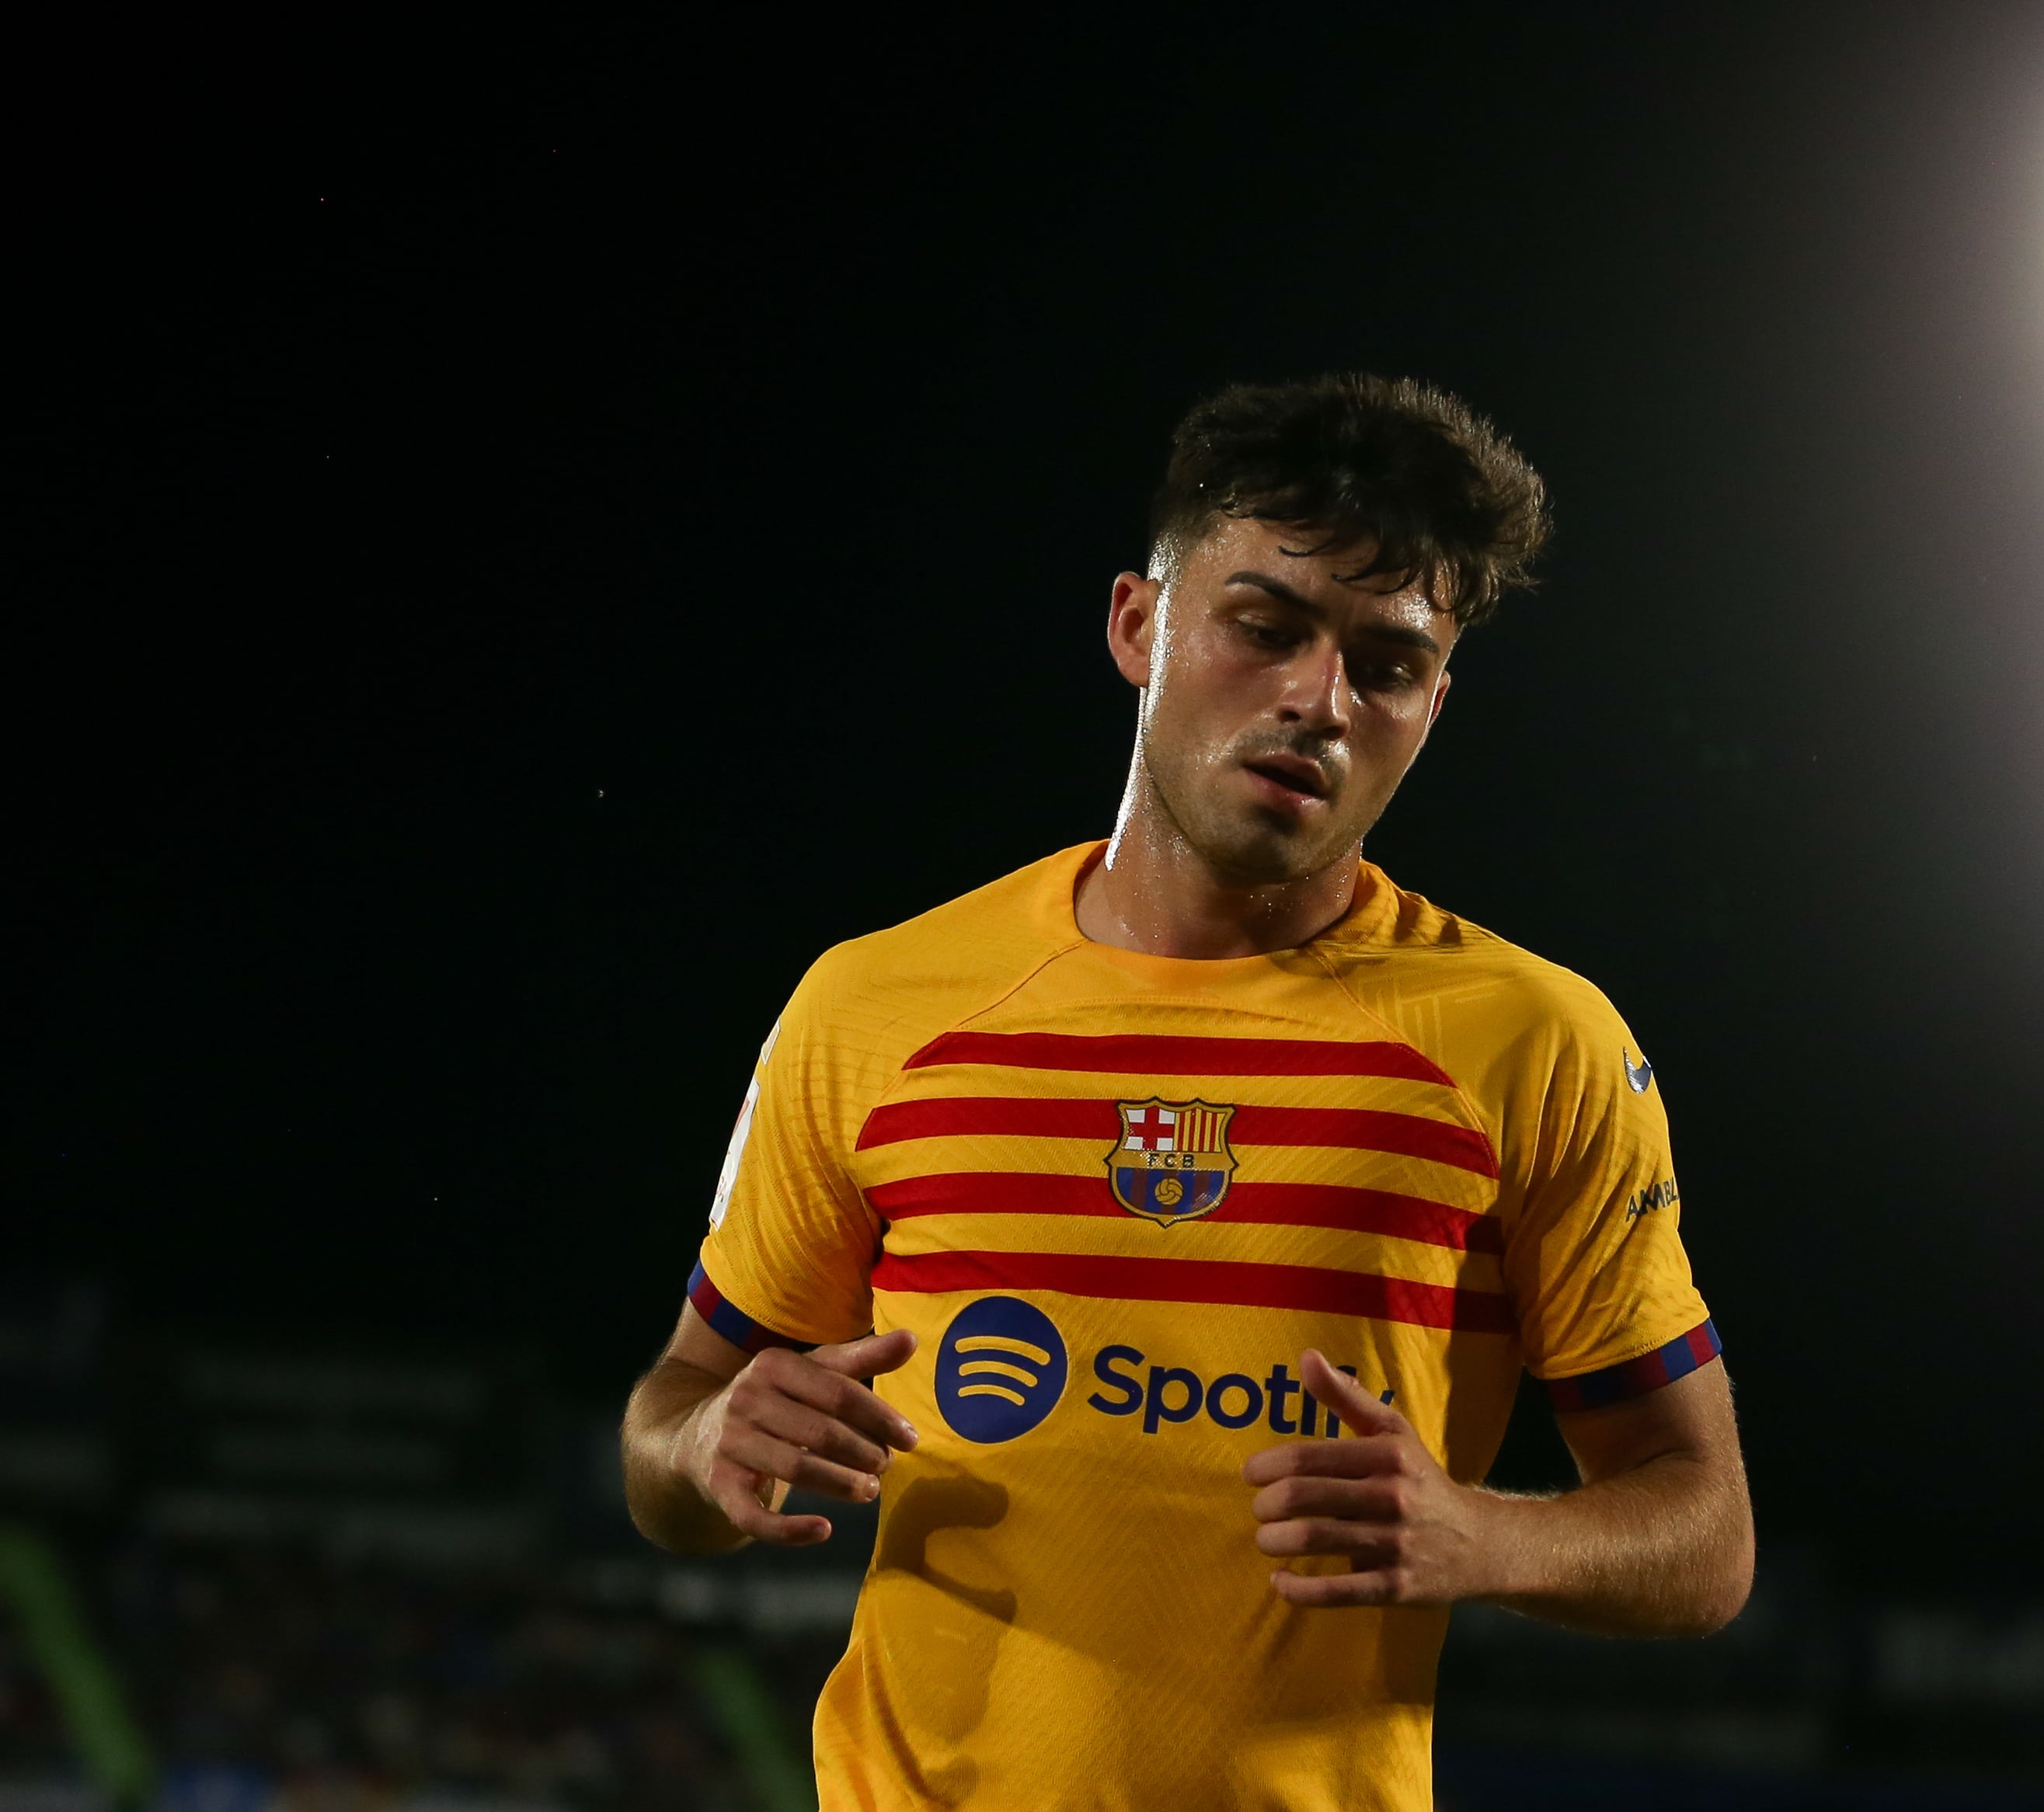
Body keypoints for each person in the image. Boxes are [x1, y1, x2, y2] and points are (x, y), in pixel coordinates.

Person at [619, 374, 1753, 1810]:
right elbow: (672, 1423)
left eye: (1389, 665)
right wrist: (709, 1443)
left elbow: (1706, 1540)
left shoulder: (1535, 1044)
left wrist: (1484, 1537)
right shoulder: (874, 1004)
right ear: (1138, 626)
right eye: (1265, 627)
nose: (1317, 701)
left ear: (1435, 706)